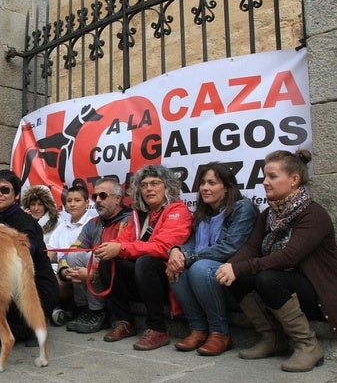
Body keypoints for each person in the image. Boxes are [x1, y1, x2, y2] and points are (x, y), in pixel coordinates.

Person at [216, 150, 337, 372]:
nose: (265, 182)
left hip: (317, 292)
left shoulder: (313, 214)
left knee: (267, 278)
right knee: (235, 277)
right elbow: (251, 248)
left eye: (272, 176)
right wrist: (230, 267)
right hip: (285, 286)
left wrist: (241, 267)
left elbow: (289, 257)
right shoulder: (269, 214)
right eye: (264, 177)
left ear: (294, 180)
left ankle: (307, 345)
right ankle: (272, 338)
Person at [95, 164, 192, 350]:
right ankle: (124, 322)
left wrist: (120, 248)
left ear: (167, 187)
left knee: (145, 262)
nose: (149, 188)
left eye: (155, 183)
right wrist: (107, 248)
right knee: (108, 261)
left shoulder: (177, 210)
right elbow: (123, 240)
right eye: (144, 185)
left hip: (166, 277)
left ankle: (158, 329)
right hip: (143, 278)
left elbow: (164, 248)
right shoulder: (138, 214)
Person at [166, 162, 257, 356]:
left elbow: (230, 247)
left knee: (199, 267)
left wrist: (188, 256)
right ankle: (198, 329)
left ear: (226, 186)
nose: (205, 188)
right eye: (202, 183)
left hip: (233, 271)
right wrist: (176, 251)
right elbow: (189, 243)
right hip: (206, 268)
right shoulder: (203, 212)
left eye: (212, 183)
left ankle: (220, 333)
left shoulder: (242, 208)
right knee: (175, 268)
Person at [0, 170, 59, 350]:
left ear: (16, 195)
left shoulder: (26, 221)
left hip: (36, 286)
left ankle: (30, 327)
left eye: (5, 190)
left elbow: (27, 250)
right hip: (8, 282)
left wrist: (0, 229)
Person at [57, 178, 131, 333]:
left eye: (102, 196)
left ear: (117, 199)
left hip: (121, 275)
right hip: (98, 270)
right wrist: (64, 270)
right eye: (95, 196)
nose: (97, 200)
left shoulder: (128, 219)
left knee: (94, 256)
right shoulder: (93, 223)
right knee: (74, 257)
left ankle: (98, 312)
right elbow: (74, 249)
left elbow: (124, 254)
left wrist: (93, 273)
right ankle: (84, 309)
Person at [46, 185, 94, 325]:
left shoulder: (91, 224)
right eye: (69, 201)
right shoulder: (62, 227)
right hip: (59, 270)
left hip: (77, 271)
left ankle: (55, 310)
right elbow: (50, 252)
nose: (72, 204)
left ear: (86, 203)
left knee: (52, 284)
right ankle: (56, 311)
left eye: (77, 200)